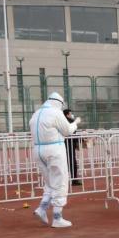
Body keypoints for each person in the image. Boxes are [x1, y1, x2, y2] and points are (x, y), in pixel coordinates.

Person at [29, 92, 81, 228]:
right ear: (59, 103)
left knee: (50, 182)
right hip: (54, 150)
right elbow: (67, 130)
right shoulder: (55, 113)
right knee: (60, 182)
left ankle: (42, 208)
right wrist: (76, 123)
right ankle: (57, 217)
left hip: (38, 150)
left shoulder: (36, 113)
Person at [63, 108, 82, 186]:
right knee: (72, 162)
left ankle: (65, 180)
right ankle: (74, 179)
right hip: (69, 144)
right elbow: (73, 133)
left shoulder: (62, 121)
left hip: (64, 145)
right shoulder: (70, 122)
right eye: (71, 114)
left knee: (65, 162)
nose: (72, 115)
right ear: (67, 115)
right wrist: (79, 140)